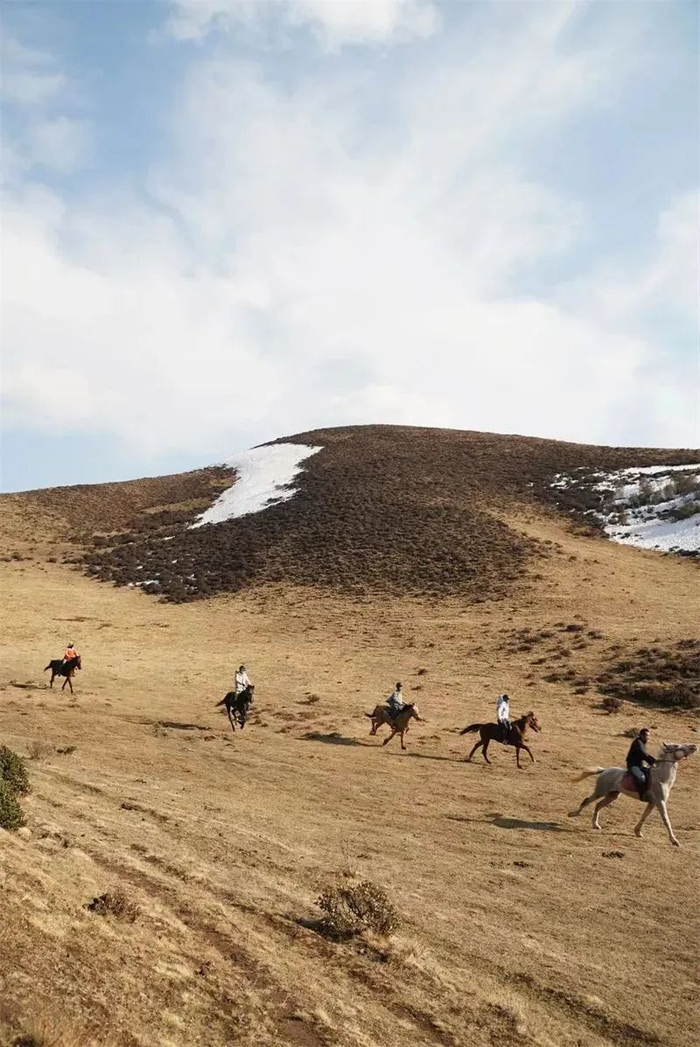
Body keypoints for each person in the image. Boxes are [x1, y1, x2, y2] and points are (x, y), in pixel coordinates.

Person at [626, 728, 656, 800]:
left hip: (640, 765)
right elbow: (643, 754)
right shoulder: (638, 743)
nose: (648, 738)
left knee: (650, 773)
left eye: (648, 736)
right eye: (647, 736)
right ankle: (642, 794)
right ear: (642, 736)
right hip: (633, 765)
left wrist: (654, 761)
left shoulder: (642, 743)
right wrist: (653, 762)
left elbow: (645, 755)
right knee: (641, 778)